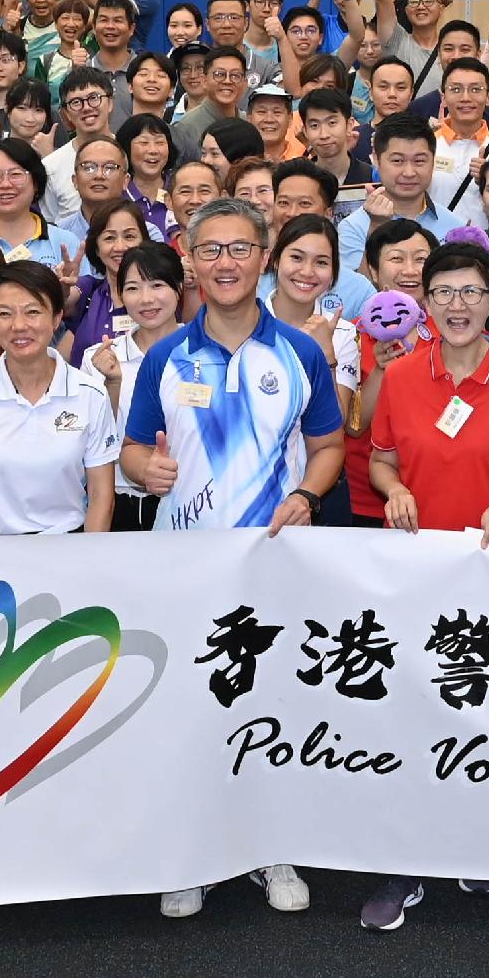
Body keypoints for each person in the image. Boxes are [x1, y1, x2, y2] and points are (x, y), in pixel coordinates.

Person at [114, 201, 331, 920]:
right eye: (212, 250)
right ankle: (192, 853)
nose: (227, 263)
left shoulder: (299, 352)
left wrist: (305, 491)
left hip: (273, 565)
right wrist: (146, 467)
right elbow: (134, 446)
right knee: (189, 711)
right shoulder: (163, 355)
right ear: (190, 260)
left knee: (273, 705)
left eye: (241, 248)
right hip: (183, 564)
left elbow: (329, 446)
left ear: (264, 256)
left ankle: (274, 847)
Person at [0, 259, 117, 541]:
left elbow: (102, 495)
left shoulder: (90, 394)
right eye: (4, 314)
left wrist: (88, 558)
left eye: (32, 312)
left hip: (69, 543)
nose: (19, 326)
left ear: (56, 318)